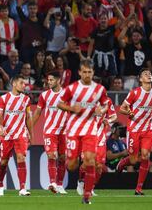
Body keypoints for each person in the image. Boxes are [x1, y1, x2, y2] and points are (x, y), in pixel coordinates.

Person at [57, 59, 109, 204]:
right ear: (79, 72)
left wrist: (101, 110)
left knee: (90, 160)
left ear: (93, 73)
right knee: (72, 165)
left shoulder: (99, 89)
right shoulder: (72, 88)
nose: (87, 74)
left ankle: (87, 196)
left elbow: (105, 106)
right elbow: (59, 103)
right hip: (73, 129)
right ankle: (74, 170)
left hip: (90, 130)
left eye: (89, 72)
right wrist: (72, 108)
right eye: (84, 72)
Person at [118, 68, 152, 195]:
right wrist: (129, 112)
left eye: (149, 73)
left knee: (145, 156)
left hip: (148, 130)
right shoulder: (134, 93)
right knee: (132, 160)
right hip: (134, 129)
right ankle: (123, 162)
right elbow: (122, 109)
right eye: (145, 74)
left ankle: (139, 188)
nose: (148, 75)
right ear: (140, 79)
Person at [0, 75, 33, 196]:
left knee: (21, 158)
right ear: (14, 84)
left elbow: (28, 117)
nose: (24, 85)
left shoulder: (26, 99)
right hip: (7, 135)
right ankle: (0, 184)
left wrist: (31, 134)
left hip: (20, 134)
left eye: (25, 83)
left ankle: (22, 188)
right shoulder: (4, 98)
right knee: (4, 162)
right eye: (22, 83)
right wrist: (0, 127)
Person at [32, 72, 68, 194]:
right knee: (52, 155)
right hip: (49, 130)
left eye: (51, 80)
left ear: (58, 80)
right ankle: (52, 182)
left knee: (63, 158)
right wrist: (29, 127)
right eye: (48, 80)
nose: (49, 82)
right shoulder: (44, 95)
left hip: (64, 131)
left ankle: (60, 185)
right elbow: (37, 113)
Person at [79, 98, 117, 196]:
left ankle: (90, 188)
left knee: (99, 166)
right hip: (88, 136)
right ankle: (81, 181)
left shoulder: (108, 101)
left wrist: (108, 120)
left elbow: (114, 116)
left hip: (101, 139)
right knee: (87, 163)